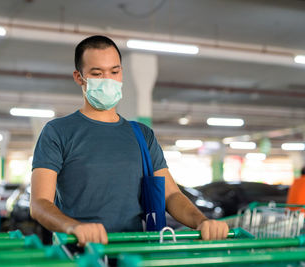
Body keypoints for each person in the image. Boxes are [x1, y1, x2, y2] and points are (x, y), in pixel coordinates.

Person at [30, 35, 229, 246]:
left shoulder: (142, 135)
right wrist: (73, 227)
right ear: (79, 77)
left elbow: (171, 195)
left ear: (121, 73)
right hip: (81, 255)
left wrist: (202, 222)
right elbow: (40, 203)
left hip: (132, 254)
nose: (108, 80)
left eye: (114, 72)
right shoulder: (58, 132)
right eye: (97, 74)